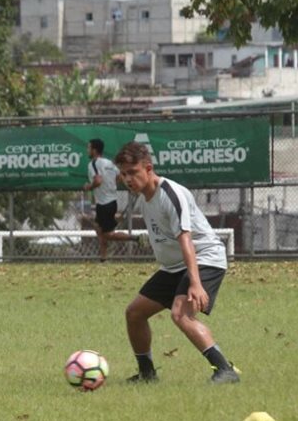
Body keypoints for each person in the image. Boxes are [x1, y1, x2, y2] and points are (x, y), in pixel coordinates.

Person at [113, 141, 240, 384]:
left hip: (204, 259)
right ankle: (147, 375)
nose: (127, 179)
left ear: (148, 168)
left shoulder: (171, 194)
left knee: (181, 314)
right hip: (174, 267)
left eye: (133, 172)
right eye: (123, 174)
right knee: (134, 313)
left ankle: (225, 370)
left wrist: (195, 283)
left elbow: (186, 241)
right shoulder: (143, 199)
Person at [83, 137, 122, 262]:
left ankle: (135, 238)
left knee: (107, 234)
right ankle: (103, 258)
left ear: (94, 150)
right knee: (99, 229)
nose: (87, 150)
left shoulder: (93, 164)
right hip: (112, 201)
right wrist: (110, 185)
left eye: (89, 148)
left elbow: (98, 181)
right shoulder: (109, 163)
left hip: (104, 204)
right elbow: (119, 176)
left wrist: (89, 186)